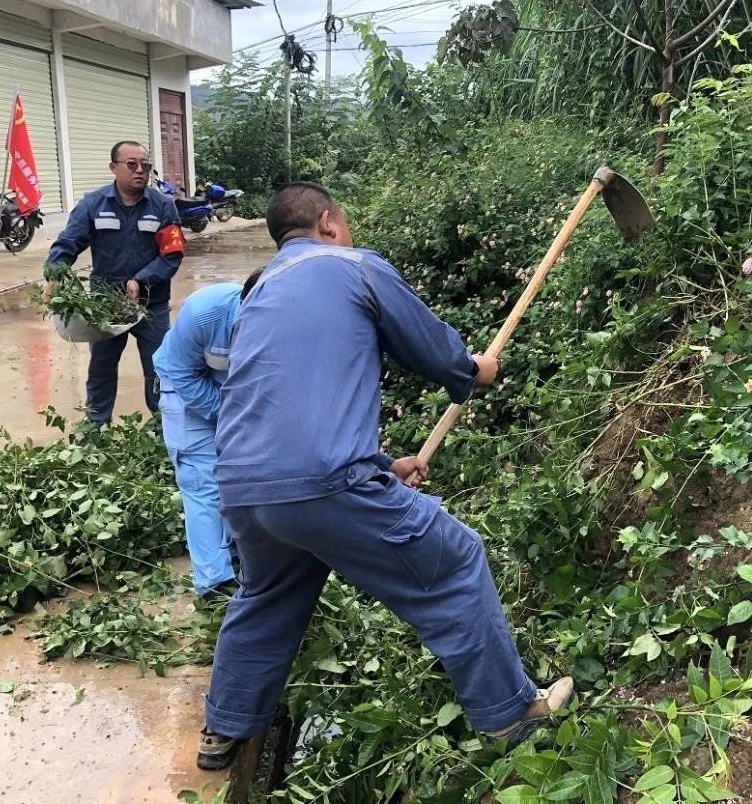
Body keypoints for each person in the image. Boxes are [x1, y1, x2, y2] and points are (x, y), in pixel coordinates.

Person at [196, 182, 573, 770]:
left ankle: (225, 727)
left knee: (268, 594)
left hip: (244, 488)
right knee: (455, 562)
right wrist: (476, 370)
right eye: (345, 225)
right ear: (327, 222)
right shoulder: (354, 267)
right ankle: (509, 714)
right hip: (323, 482)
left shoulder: (259, 293)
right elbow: (431, 349)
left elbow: (284, 409)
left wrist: (378, 467)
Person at [44, 141, 184, 425]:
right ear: (113, 167)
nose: (140, 170)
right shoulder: (93, 204)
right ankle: (97, 435)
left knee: (159, 371)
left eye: (145, 165)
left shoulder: (163, 207)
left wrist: (141, 281)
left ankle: (164, 432)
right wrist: (55, 272)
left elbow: (172, 255)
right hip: (104, 310)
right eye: (132, 164)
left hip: (150, 307)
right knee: (101, 372)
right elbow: (68, 243)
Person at [153, 268, 265, 598]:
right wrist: (227, 415)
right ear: (245, 304)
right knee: (203, 482)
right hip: (184, 388)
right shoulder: (205, 312)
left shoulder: (288, 324)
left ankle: (234, 553)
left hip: (235, 394)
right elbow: (182, 373)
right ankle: (214, 583)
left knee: (241, 477)